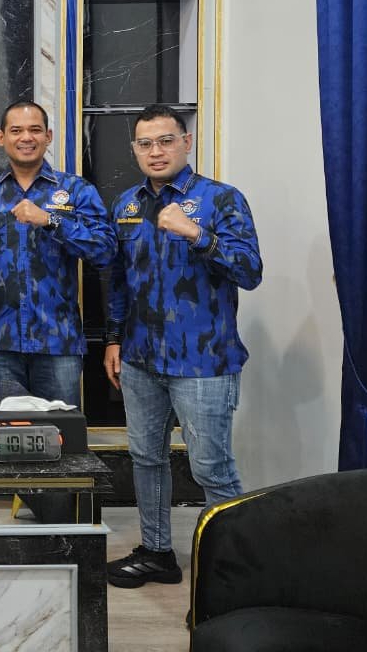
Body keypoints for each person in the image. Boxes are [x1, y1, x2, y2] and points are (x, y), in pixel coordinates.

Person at [103, 104, 262, 588]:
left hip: (204, 361)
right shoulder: (126, 205)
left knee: (211, 467)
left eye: (166, 140)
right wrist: (113, 339)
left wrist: (197, 234)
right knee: (146, 460)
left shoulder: (221, 199)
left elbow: (250, 271)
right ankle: (156, 552)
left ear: (186, 143)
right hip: (140, 359)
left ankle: (237, 571)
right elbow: (118, 281)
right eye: (145, 143)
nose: (156, 151)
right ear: (135, 150)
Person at [0, 99, 115, 404]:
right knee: (0, 428)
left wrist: (51, 221)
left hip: (58, 341)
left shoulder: (76, 190)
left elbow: (105, 251)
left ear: (48, 136)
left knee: (60, 429)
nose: (26, 137)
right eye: (17, 131)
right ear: (1, 137)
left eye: (35, 130)